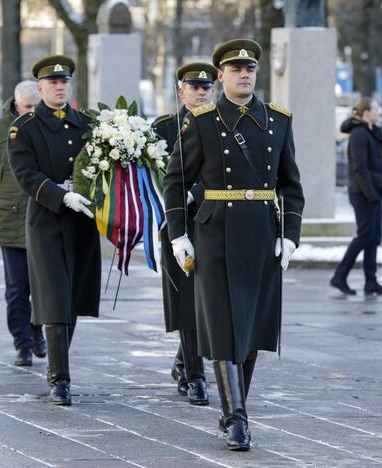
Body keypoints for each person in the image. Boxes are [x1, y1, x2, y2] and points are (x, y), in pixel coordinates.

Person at [163, 39, 304, 451]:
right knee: (224, 324)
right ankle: (235, 416)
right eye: (235, 69)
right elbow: (176, 181)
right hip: (216, 232)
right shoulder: (202, 121)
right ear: (220, 75)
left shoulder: (277, 120)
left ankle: (235, 405)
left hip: (262, 232)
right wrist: (178, 235)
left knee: (253, 326)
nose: (245, 74)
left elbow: (291, 185)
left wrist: (290, 237)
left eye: (250, 69)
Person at [7, 56, 101, 406]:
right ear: (40, 87)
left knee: (73, 296)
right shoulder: (25, 128)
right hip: (47, 220)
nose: (60, 87)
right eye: (53, 82)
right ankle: (59, 378)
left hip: (82, 220)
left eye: (65, 82)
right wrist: (62, 196)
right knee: (54, 296)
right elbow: (25, 174)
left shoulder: (87, 124)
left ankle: (60, 364)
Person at [0, 80, 47, 366]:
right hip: (10, 219)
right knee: (17, 288)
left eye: (36, 107)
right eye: (27, 107)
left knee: (43, 286)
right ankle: (22, 342)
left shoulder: (47, 127)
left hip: (44, 219)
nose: (32, 112)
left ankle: (37, 332)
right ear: (16, 104)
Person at [153, 62, 217, 406]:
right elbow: (153, 173)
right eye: (194, 87)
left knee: (206, 301)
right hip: (176, 221)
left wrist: (198, 190)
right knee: (185, 298)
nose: (202, 91)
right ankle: (195, 376)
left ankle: (183, 362)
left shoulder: (223, 125)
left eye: (206, 86)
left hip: (212, 220)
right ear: (181, 92)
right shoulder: (164, 127)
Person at [330, 99, 382, 296]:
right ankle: (339, 277)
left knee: (374, 237)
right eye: (376, 109)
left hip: (373, 192)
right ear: (366, 112)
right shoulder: (359, 134)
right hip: (363, 193)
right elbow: (360, 168)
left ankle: (371, 282)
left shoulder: (372, 131)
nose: (379, 112)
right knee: (365, 236)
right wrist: (371, 194)